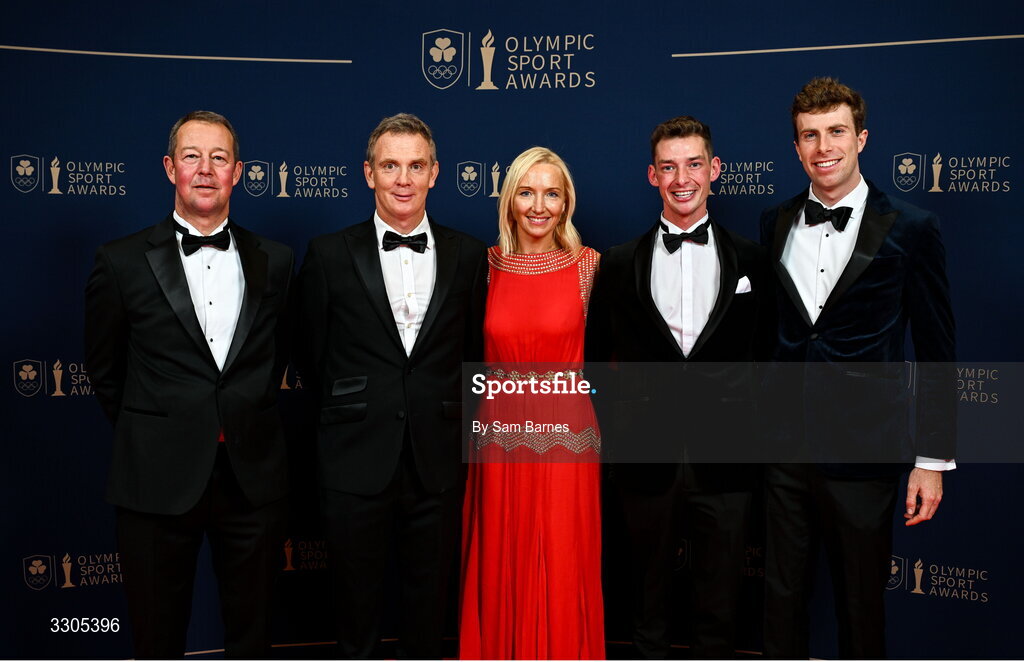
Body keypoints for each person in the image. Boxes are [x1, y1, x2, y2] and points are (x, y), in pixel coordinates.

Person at [759, 77, 956, 658]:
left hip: (866, 452)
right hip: (783, 449)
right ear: (796, 147)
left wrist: (932, 460)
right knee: (780, 602)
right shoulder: (774, 221)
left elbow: (938, 349)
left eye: (836, 131)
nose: (823, 147)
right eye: (809, 135)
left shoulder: (913, 227)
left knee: (861, 605)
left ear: (862, 138)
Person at [84, 110, 292, 658]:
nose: (206, 170)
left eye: (219, 158)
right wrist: (162, 427)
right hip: (155, 478)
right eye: (193, 157)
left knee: (253, 639)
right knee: (157, 639)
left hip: (251, 479)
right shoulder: (121, 261)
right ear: (169, 167)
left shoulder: (278, 261)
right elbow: (105, 371)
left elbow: (280, 359)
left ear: (239, 172)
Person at [296, 113, 487, 659]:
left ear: (435, 174)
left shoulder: (470, 256)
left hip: (440, 461)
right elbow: (313, 357)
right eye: (390, 166)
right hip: (354, 460)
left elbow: (475, 357)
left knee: (430, 616)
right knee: (356, 616)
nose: (403, 178)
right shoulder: (328, 254)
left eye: (415, 166)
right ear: (368, 173)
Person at [586, 117, 773, 658]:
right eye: (668, 167)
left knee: (721, 607)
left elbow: (766, 360)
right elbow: (595, 366)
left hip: (729, 458)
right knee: (647, 606)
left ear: (714, 170)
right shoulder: (618, 264)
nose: (681, 178)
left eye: (693, 165)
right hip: (645, 460)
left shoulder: (753, 260)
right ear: (652, 175)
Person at [459, 147, 605, 660]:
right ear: (509, 201)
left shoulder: (589, 267)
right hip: (499, 434)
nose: (538, 206)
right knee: (504, 557)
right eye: (527, 192)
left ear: (566, 203)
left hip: (567, 432)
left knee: (564, 557)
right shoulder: (487, 267)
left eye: (551, 193)